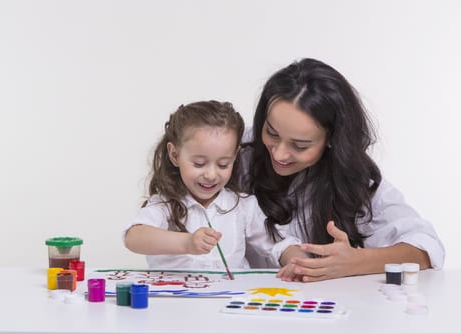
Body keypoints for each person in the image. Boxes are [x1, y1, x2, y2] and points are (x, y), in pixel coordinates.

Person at [240, 58, 445, 282]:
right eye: (272, 133)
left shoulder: (354, 179)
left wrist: (355, 262)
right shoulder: (232, 154)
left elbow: (427, 248)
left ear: (331, 140)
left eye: (299, 146)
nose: (279, 154)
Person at [124, 100, 284, 269]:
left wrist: (296, 260)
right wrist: (187, 243)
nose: (211, 175)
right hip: (175, 294)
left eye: (223, 164)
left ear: (235, 156)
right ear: (174, 155)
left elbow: (278, 246)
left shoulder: (244, 206)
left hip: (230, 295)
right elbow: (133, 238)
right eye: (199, 164)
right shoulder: (164, 204)